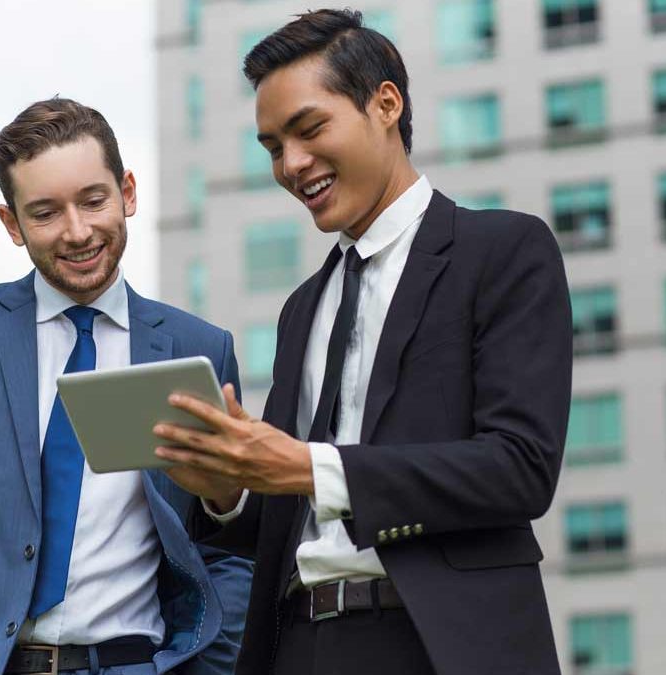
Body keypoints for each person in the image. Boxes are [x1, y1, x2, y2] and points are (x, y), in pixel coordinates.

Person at [152, 9, 572, 675]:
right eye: (271, 147)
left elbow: (520, 466)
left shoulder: (504, 252)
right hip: (297, 645)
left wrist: (311, 467)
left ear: (385, 104)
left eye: (310, 128)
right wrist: (227, 490)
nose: (292, 164)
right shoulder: (301, 309)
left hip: (437, 644)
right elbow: (288, 513)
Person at [0, 97, 251, 675]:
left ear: (128, 192)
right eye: (45, 213)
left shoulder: (199, 349)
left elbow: (223, 547)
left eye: (93, 200)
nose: (77, 232)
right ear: (12, 223)